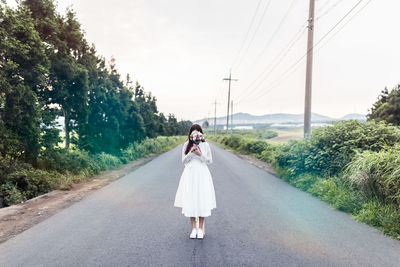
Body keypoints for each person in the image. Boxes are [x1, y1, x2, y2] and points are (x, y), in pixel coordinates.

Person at [174, 124, 216, 239]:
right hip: (190, 173)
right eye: (194, 132)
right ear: (191, 134)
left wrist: (200, 154)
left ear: (201, 133)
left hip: (202, 174)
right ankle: (193, 229)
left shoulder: (205, 145)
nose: (196, 134)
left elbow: (209, 161)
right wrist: (191, 152)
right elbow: (183, 161)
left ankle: (200, 229)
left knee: (202, 199)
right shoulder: (186, 145)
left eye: (198, 132)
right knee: (191, 199)